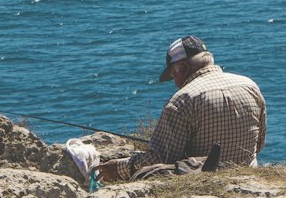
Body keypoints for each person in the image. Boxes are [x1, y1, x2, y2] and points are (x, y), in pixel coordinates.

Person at [99, 35, 266, 183]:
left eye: (173, 75)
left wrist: (119, 168)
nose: (175, 82)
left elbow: (159, 159)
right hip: (248, 178)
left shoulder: (183, 100)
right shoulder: (249, 85)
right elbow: (258, 145)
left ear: (183, 67)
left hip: (206, 182)